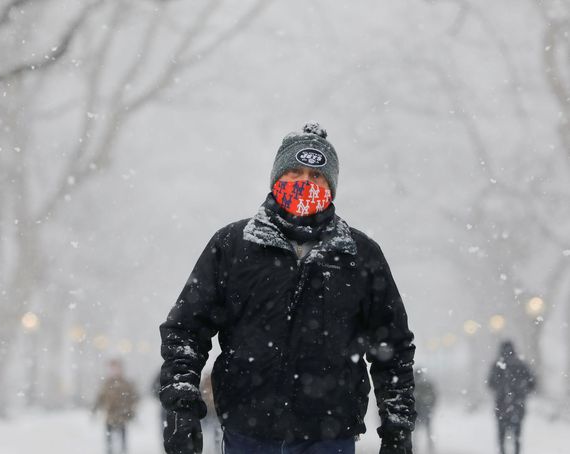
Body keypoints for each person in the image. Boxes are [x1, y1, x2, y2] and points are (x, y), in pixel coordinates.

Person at [159, 122, 416, 454]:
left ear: (331, 186)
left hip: (329, 435)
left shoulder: (360, 255)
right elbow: (185, 330)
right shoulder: (233, 246)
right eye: (295, 172)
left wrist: (398, 424)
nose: (305, 182)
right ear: (277, 178)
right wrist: (181, 406)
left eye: (316, 175)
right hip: (247, 431)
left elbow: (393, 347)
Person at [487, 340, 535, 454]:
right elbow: (532, 383)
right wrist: (521, 392)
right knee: (517, 436)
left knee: (502, 436)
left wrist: (501, 391)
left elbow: (490, 384)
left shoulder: (497, 365)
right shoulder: (521, 364)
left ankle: (503, 451)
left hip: (501, 406)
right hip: (518, 405)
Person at [93, 359, 139, 454]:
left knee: (122, 436)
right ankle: (110, 451)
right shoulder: (106, 383)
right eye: (112, 368)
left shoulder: (126, 383)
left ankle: (123, 451)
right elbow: (100, 397)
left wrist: (131, 410)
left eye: (116, 368)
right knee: (109, 437)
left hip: (122, 414)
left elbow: (134, 397)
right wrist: (94, 409)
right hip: (110, 415)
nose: (114, 371)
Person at [413, 368, 437, 454]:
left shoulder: (425, 384)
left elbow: (434, 396)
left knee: (426, 430)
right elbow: (434, 396)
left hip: (424, 411)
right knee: (417, 431)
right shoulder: (415, 384)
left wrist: (431, 406)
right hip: (419, 411)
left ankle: (429, 447)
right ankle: (416, 447)